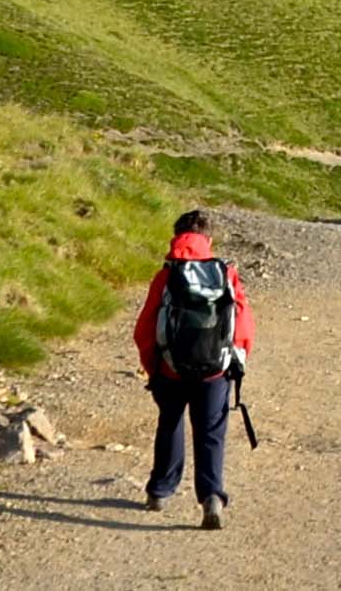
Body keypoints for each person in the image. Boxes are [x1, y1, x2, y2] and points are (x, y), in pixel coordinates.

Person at [131, 209, 251, 530]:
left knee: (170, 423)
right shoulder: (224, 273)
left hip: (170, 369)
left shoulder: (167, 275)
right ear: (208, 240)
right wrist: (235, 361)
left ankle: (160, 491)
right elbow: (241, 323)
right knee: (211, 432)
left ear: (176, 236)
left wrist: (153, 366)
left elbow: (144, 327)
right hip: (214, 371)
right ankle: (211, 497)